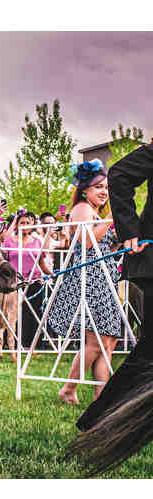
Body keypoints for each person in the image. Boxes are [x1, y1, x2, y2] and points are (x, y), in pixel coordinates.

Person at [74, 143, 153, 433]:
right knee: (144, 348)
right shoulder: (83, 210)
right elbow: (119, 174)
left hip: (120, 272)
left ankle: (98, 419)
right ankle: (99, 419)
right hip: (126, 267)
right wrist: (130, 231)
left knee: (142, 348)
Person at [45, 160, 121, 404]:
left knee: (108, 339)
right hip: (90, 279)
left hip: (105, 276)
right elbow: (86, 242)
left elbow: (105, 242)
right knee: (95, 339)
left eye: (107, 188)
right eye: (98, 187)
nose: (104, 192)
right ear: (85, 189)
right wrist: (110, 218)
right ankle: (68, 388)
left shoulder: (95, 212)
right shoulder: (81, 208)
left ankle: (101, 397)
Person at [2, 211, 52, 349]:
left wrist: (52, 274)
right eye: (22, 223)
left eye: (28, 223)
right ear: (17, 225)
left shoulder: (37, 242)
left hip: (34, 281)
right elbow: (3, 261)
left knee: (33, 313)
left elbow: (42, 263)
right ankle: (13, 344)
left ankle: (31, 346)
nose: (25, 225)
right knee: (14, 314)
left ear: (32, 226)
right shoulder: (9, 241)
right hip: (14, 283)